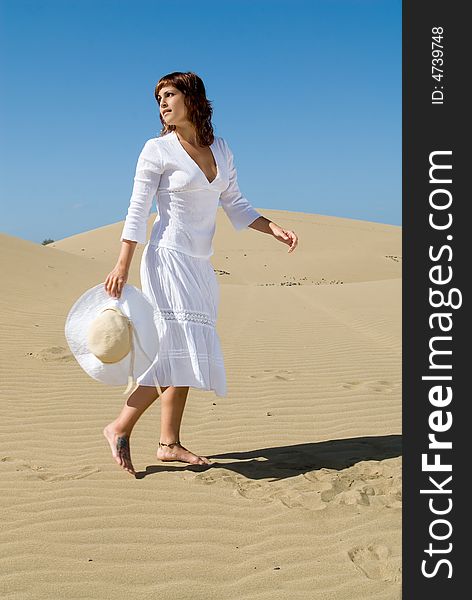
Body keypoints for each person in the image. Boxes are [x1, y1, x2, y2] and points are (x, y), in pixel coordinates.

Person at [103, 71, 298, 475]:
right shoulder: (156, 150)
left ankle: (167, 443)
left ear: (192, 98)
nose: (162, 102)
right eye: (159, 97)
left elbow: (236, 203)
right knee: (174, 345)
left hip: (198, 264)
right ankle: (123, 426)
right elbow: (137, 210)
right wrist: (122, 263)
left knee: (187, 352)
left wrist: (271, 227)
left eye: (170, 94)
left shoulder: (221, 150)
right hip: (167, 259)